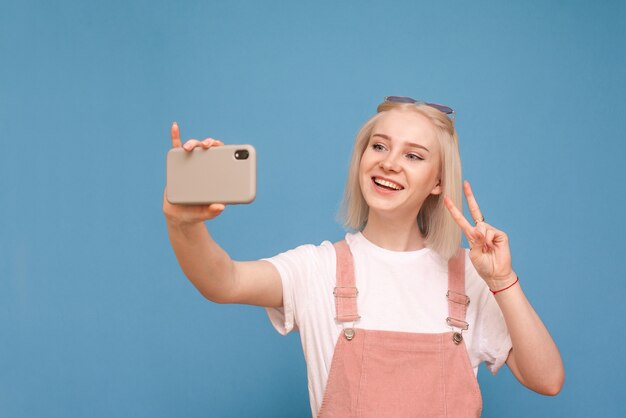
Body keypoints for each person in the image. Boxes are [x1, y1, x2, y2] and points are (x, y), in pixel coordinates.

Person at [163, 96, 564, 417]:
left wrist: (500, 281)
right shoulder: (318, 269)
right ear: (361, 158)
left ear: (439, 181)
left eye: (414, 155)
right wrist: (184, 224)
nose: (389, 162)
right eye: (379, 145)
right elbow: (223, 281)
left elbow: (546, 380)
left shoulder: (469, 279)